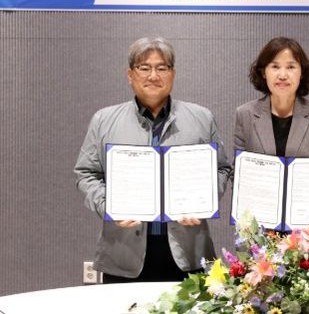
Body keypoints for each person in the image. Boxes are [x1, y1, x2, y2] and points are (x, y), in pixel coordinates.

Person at [74, 37, 231, 283]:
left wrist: (205, 202)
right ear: (130, 75)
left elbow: (221, 168)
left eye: (162, 68)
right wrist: (108, 206)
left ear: (173, 74)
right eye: (144, 68)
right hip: (123, 253)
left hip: (189, 251)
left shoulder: (202, 118)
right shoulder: (103, 120)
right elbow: (86, 173)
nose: (153, 76)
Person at [233, 37, 309, 159]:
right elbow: (238, 169)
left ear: (302, 73)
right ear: (264, 72)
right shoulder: (245, 115)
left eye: (290, 67)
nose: (282, 75)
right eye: (275, 67)